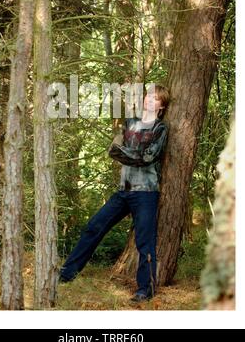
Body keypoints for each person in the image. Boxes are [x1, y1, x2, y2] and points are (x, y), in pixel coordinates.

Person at [60, 84, 170, 303]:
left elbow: (148, 158)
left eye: (155, 98)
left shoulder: (161, 129)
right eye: (148, 95)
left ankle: (144, 291)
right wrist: (133, 153)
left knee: (145, 242)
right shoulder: (130, 123)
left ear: (161, 106)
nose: (150, 100)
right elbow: (114, 149)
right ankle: (66, 274)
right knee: (94, 227)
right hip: (123, 191)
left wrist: (128, 153)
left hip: (146, 192)